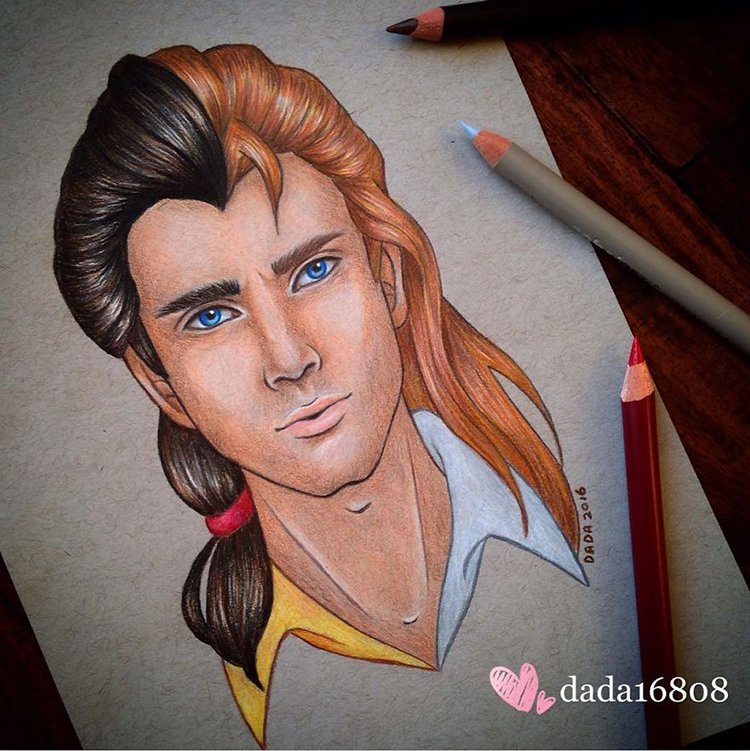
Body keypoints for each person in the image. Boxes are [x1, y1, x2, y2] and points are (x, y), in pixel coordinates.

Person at [54, 44, 585, 746]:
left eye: (314, 270)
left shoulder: (557, 507)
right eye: (210, 317)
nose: (290, 358)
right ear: (161, 384)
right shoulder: (250, 697)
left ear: (387, 278)